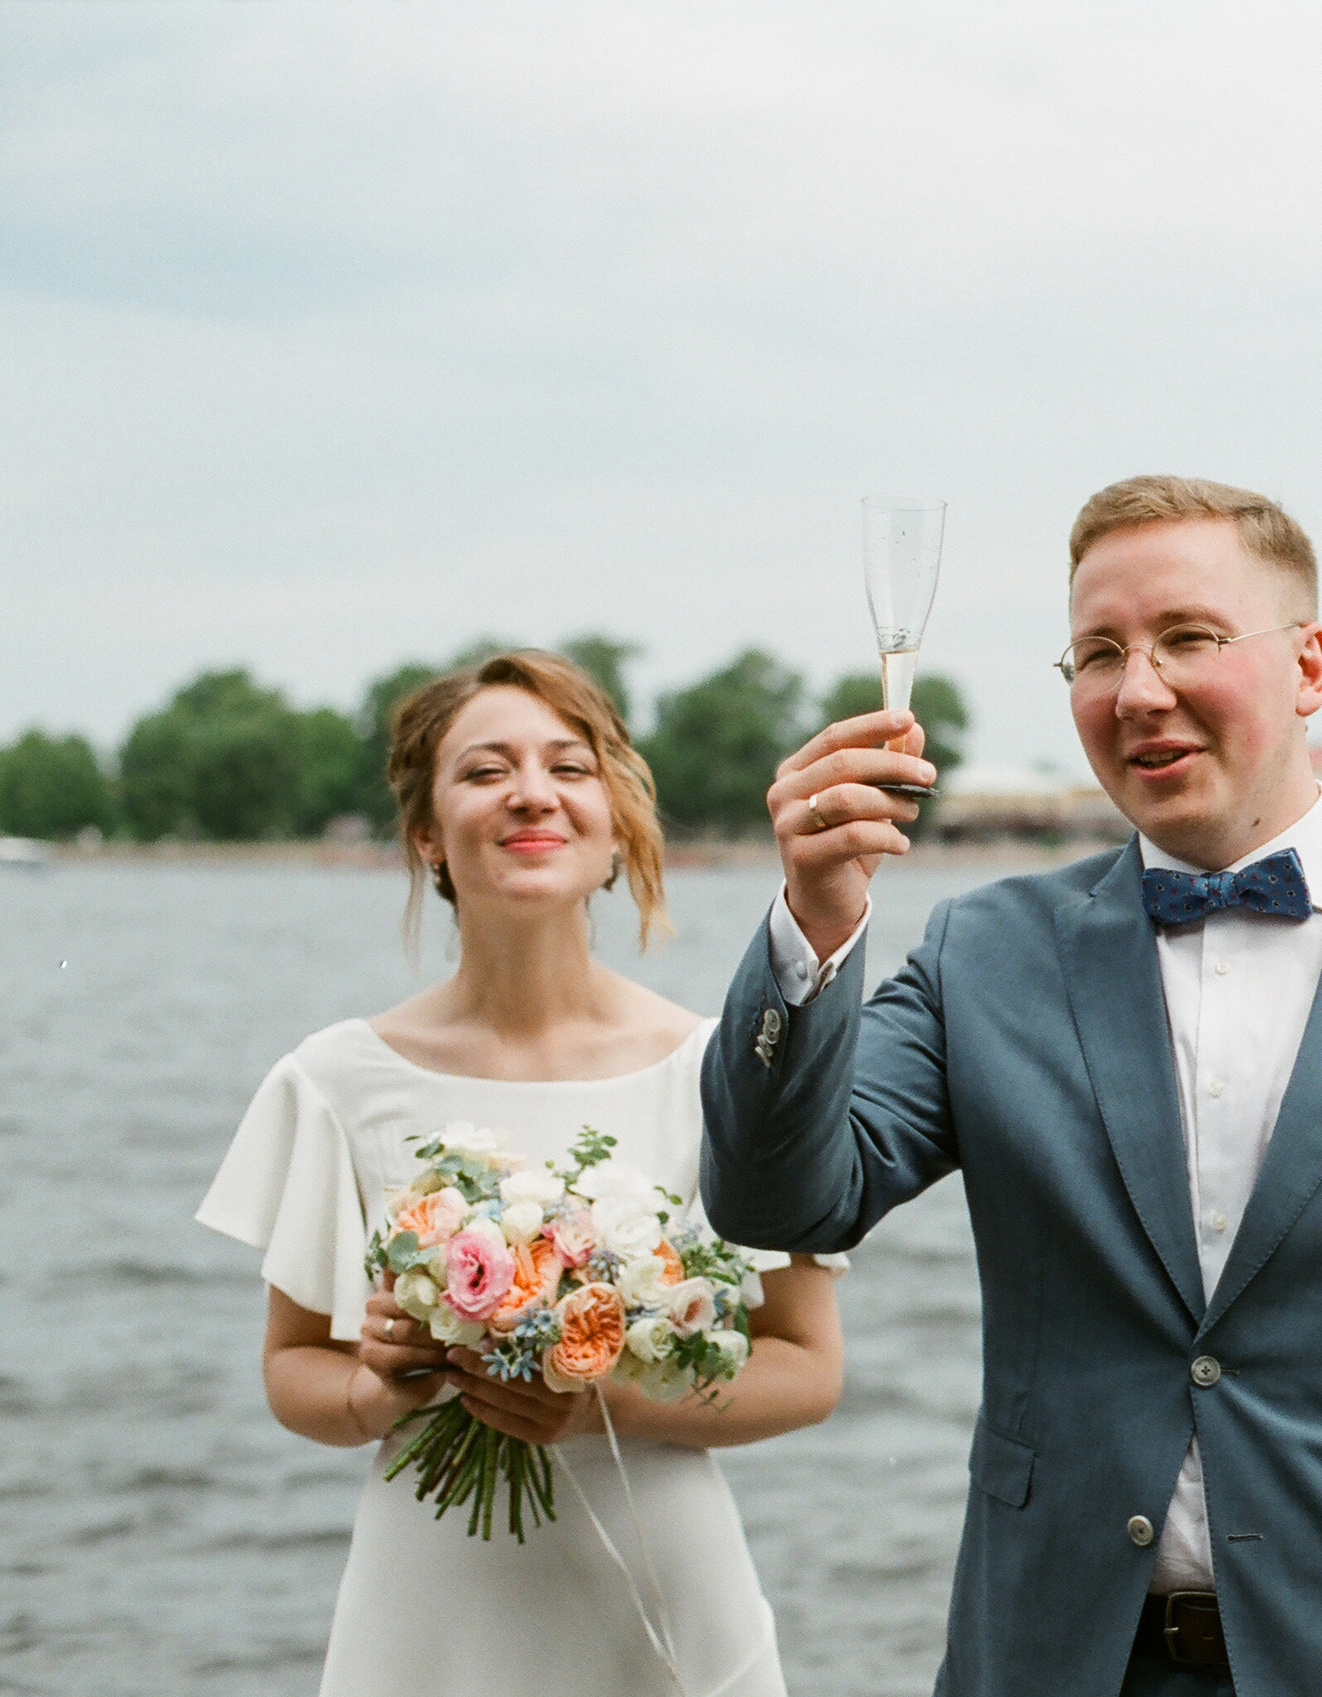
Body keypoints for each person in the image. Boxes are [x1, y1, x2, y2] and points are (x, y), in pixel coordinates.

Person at [699, 476, 1322, 1697]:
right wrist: (813, 924)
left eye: (1188, 638)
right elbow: (781, 1202)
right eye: (1099, 652)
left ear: (1310, 663)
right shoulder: (985, 953)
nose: (1138, 690)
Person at [197, 651, 847, 1697]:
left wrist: (612, 1401)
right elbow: (291, 1374)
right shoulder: (332, 1080)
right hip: (432, 1604)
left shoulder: (726, 1073)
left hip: (663, 1583)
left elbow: (808, 1366)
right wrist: (375, 1384)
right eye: (484, 769)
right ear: (426, 833)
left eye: (568, 766)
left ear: (614, 826)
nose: (530, 792)